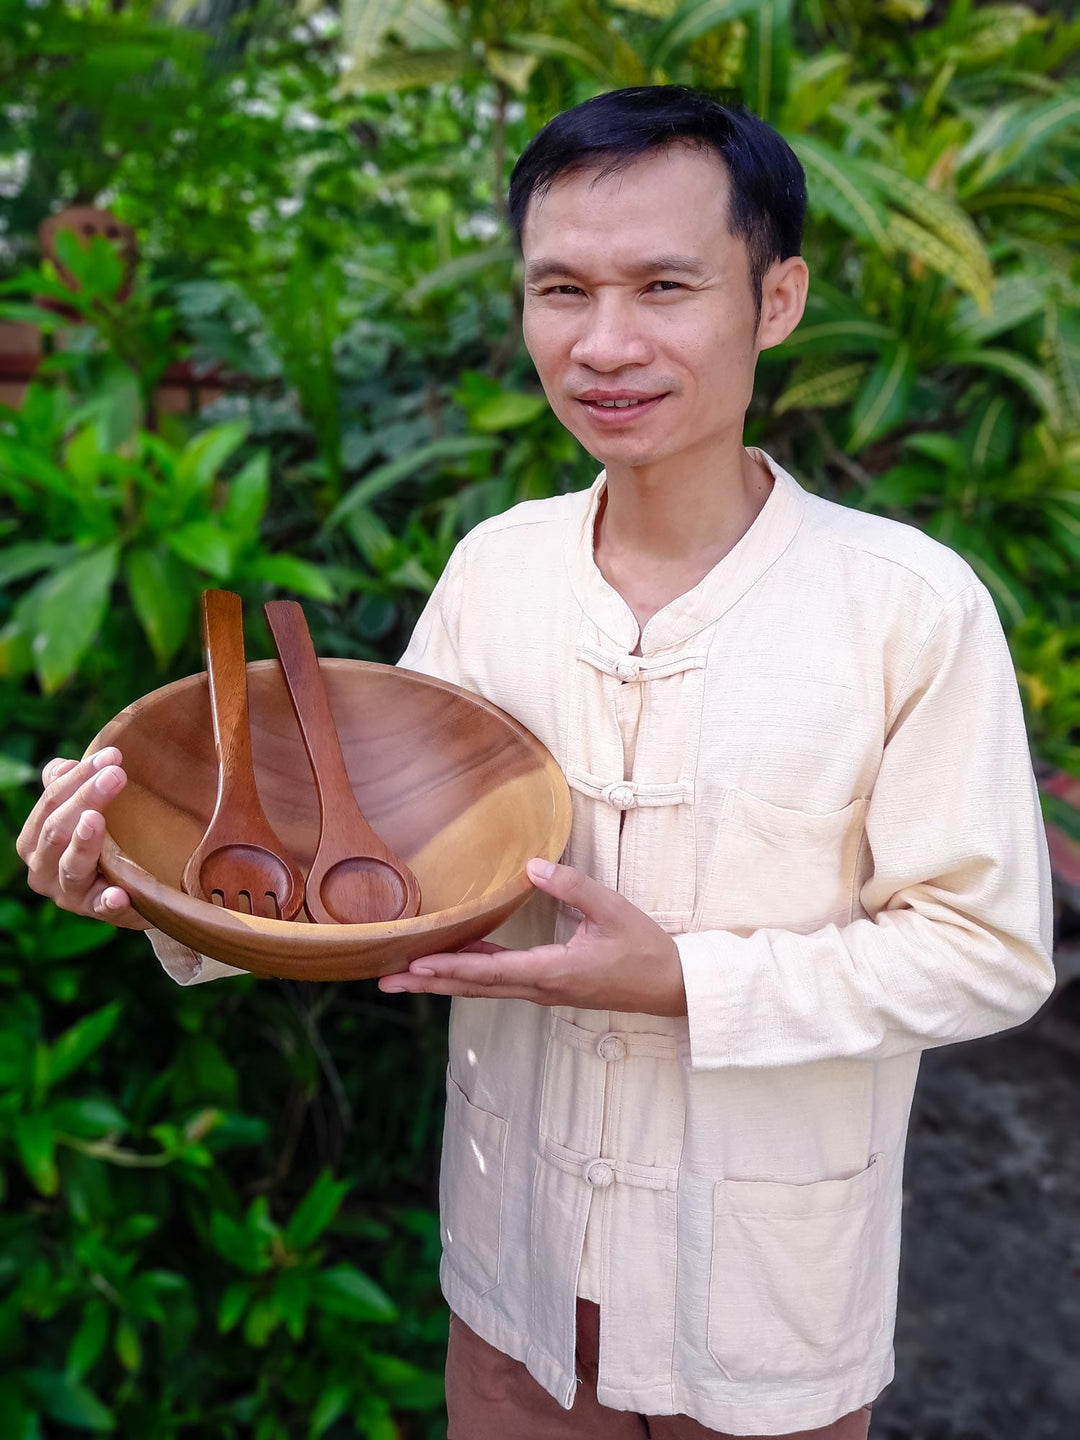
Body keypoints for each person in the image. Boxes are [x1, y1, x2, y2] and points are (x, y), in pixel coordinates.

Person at [18, 87, 1055, 1439]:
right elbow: (394, 876)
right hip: (511, 1293)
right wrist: (156, 893)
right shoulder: (496, 571)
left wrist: (681, 980)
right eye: (559, 288)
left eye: (665, 285)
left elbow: (987, 950)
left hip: (756, 1315)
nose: (605, 342)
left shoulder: (907, 607)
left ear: (778, 298)